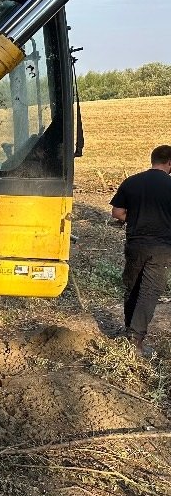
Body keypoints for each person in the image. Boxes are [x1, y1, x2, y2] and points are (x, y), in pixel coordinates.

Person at [110, 144, 171, 356]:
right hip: (162, 247)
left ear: (153, 160)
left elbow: (117, 213)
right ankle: (135, 342)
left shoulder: (132, 181)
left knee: (133, 288)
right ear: (169, 163)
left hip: (135, 243)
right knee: (150, 291)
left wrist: (135, 219)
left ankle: (129, 331)